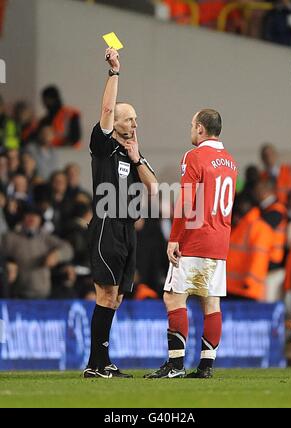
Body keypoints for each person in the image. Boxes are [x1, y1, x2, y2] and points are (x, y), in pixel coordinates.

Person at [144, 109, 237, 379]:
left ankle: (175, 365)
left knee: (173, 296)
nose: (190, 129)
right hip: (220, 240)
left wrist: (174, 238)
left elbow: (186, 201)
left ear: (200, 129)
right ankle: (206, 366)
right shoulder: (230, 162)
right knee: (211, 303)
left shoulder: (194, 156)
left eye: (192, 125)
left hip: (196, 239)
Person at [83, 47, 158, 379]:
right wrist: (114, 72)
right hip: (106, 224)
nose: (134, 123)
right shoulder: (103, 146)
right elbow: (106, 108)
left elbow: (154, 187)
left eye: (135, 120)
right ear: (116, 122)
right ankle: (95, 365)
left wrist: (138, 157)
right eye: (129, 119)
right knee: (106, 293)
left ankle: (102, 362)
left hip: (128, 229)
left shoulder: (132, 153)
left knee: (116, 299)